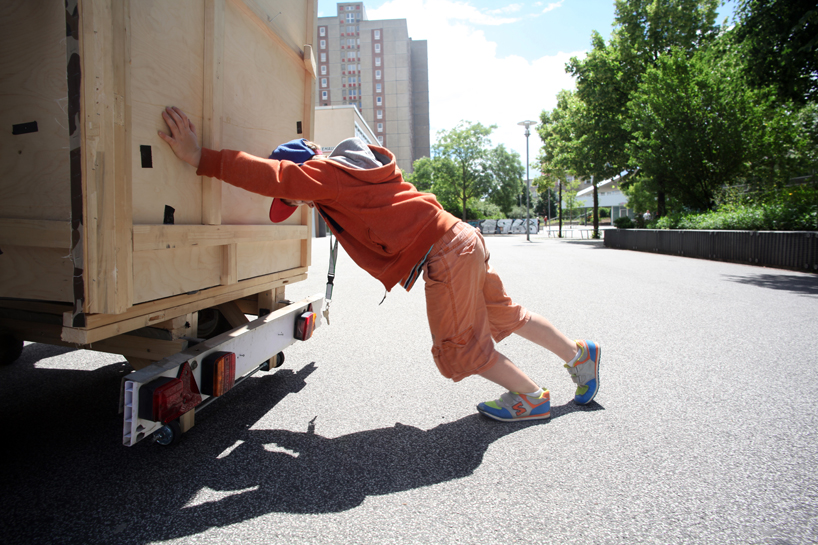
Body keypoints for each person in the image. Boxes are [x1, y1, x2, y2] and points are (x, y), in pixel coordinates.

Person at [158, 106, 601, 422]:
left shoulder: (326, 176)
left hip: (446, 253)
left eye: (292, 197)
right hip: (462, 238)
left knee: (459, 349)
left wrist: (201, 158)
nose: (293, 202)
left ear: (303, 173)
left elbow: (273, 175)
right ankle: (579, 355)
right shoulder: (357, 172)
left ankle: (529, 397)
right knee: (506, 315)